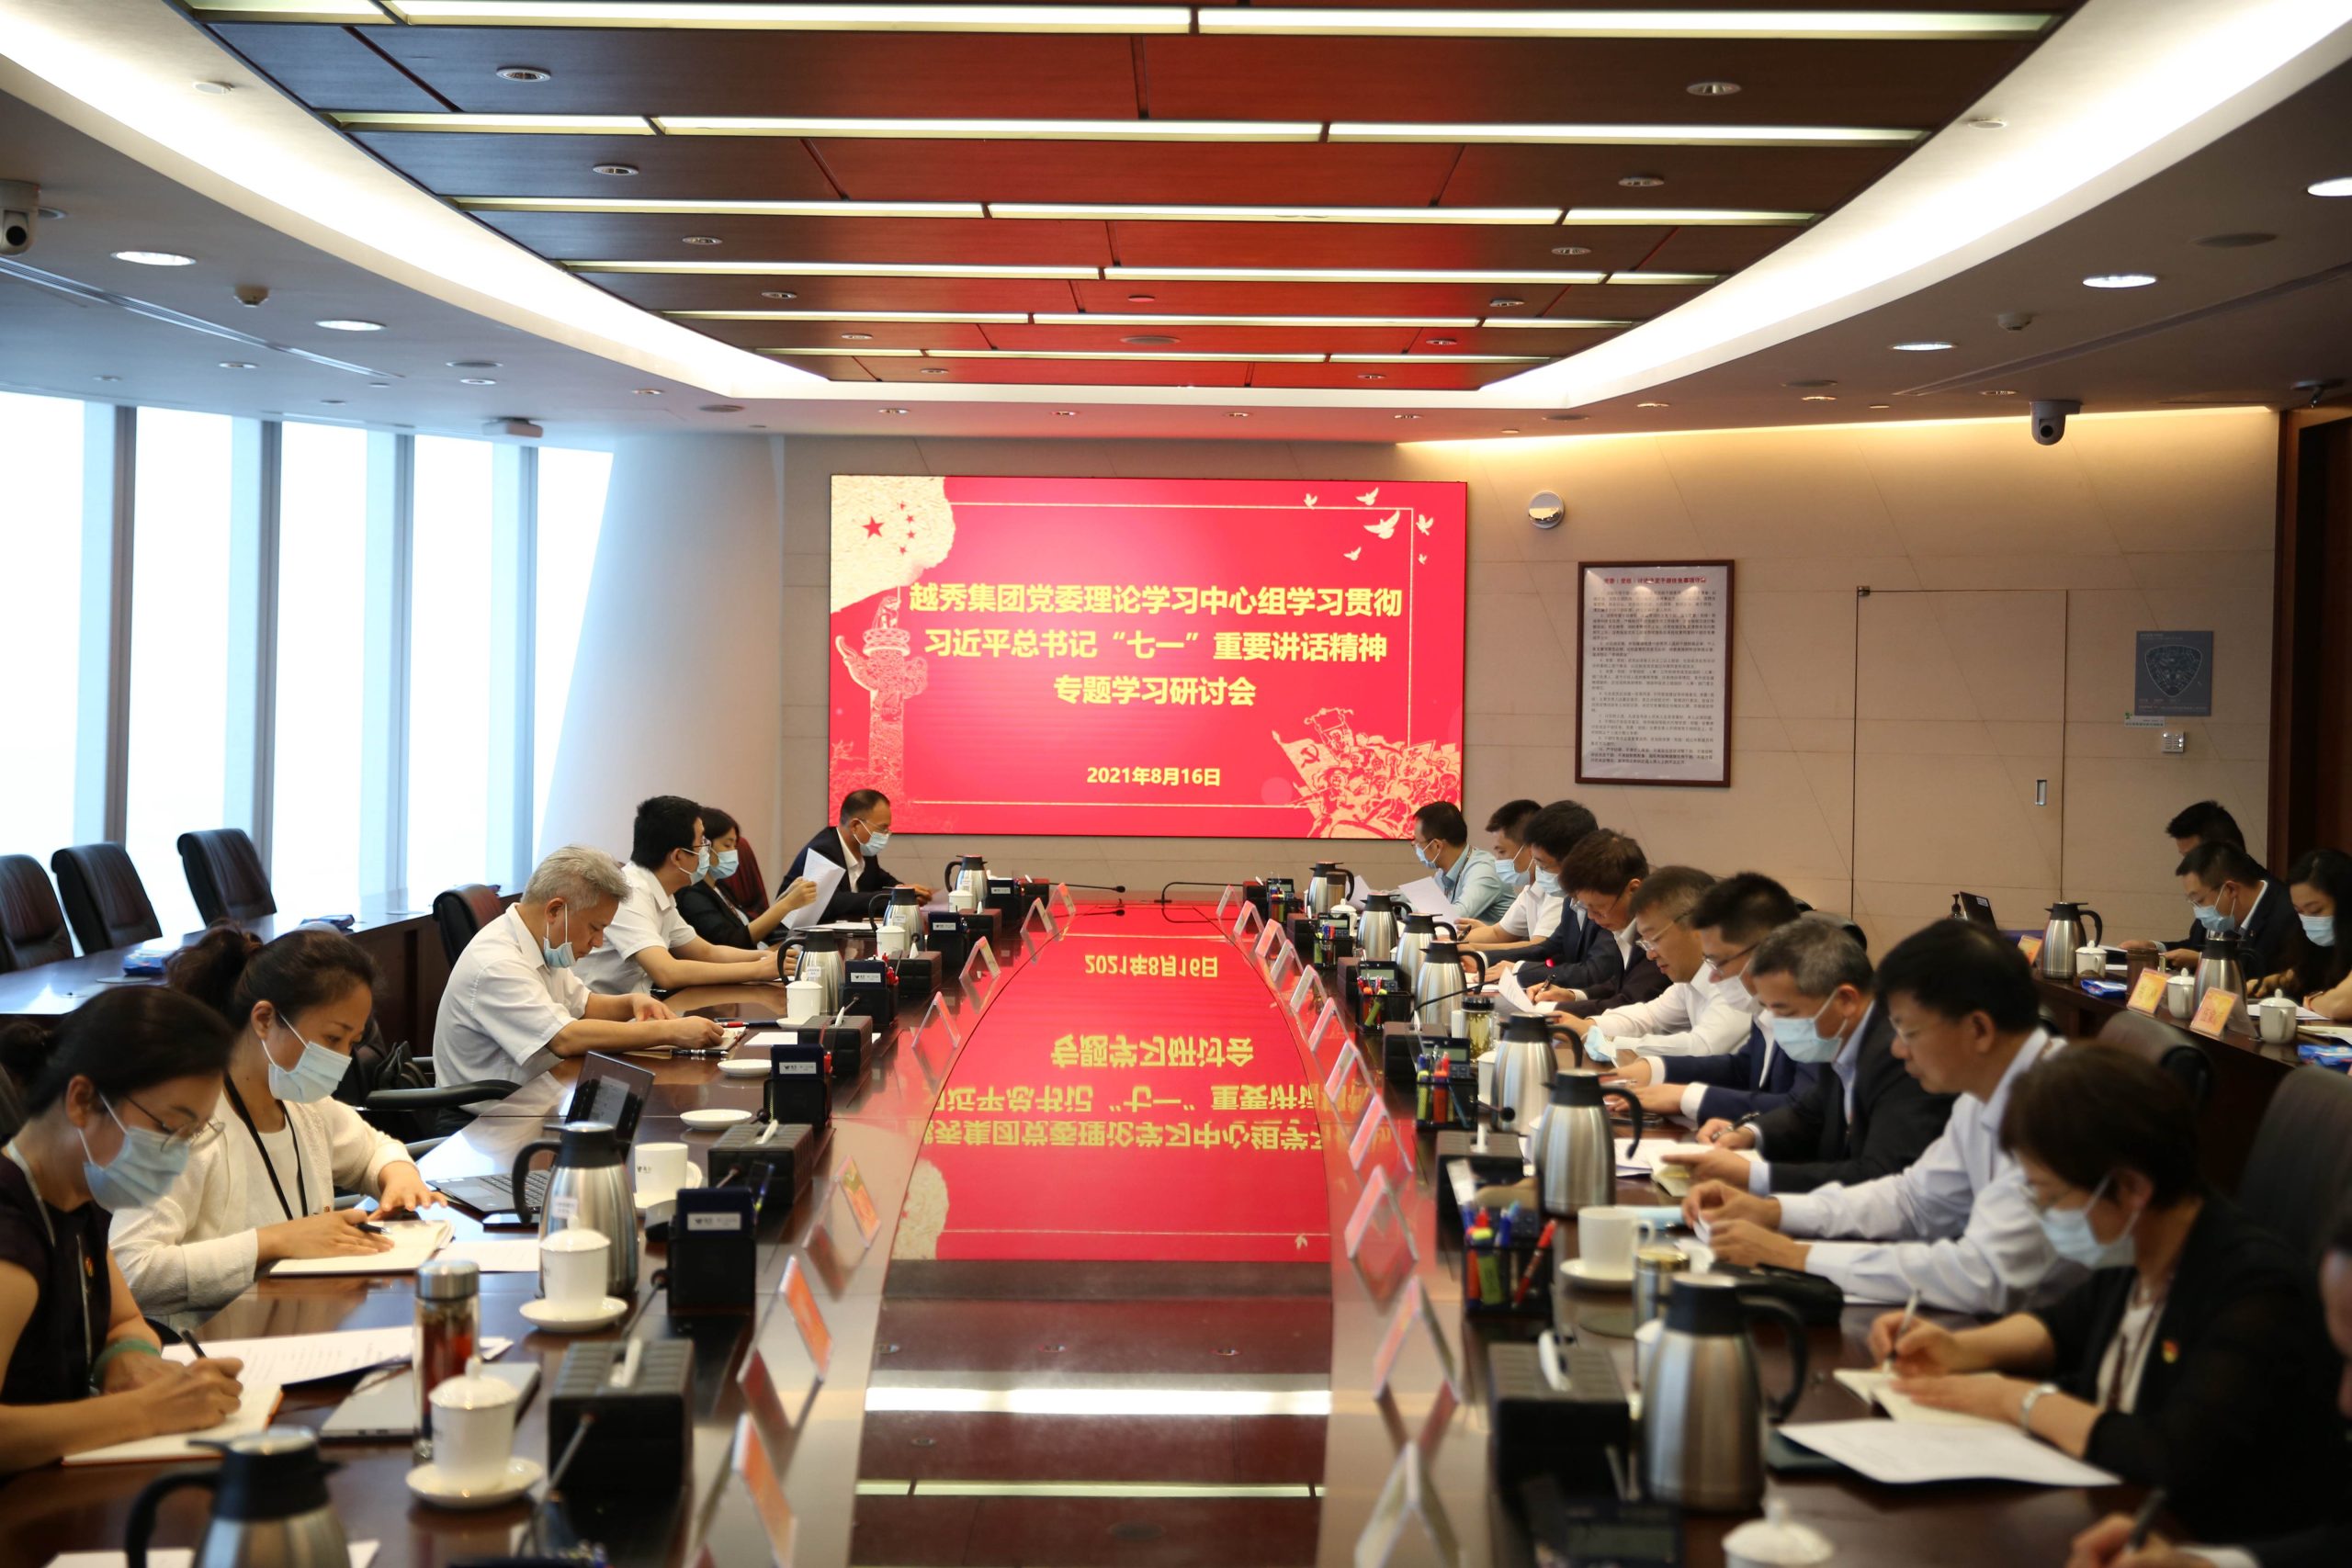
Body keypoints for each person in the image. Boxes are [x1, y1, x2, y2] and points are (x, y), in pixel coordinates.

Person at [1882, 1046, 2339, 1542]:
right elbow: (2060, 1328)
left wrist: (2015, 1400)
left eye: (2050, 1195)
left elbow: (2172, 1453)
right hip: (2111, 1513)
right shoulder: (2136, 1246)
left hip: (2193, 1540)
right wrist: (1958, 1348)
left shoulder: (2256, 1290)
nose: (2042, 1212)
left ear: (2131, 1188)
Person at [1680, 919, 2078, 1314]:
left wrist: (1795, 1255)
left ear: (1978, 1030)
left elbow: (1984, 1276)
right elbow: (1913, 1200)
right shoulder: (1985, 1092)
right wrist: (1774, 1211)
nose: (1899, 1050)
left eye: (1909, 1032)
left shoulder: (2060, 1108)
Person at [112, 928, 435, 1325]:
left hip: (302, 1324)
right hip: (215, 1342)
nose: (343, 1058)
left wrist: (398, 1175)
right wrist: (273, 1242)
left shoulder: (301, 1102)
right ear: (264, 1019)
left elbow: (374, 1149)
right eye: (332, 1038)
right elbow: (130, 1270)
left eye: (352, 1041)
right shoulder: (185, 1125)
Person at [0, 990, 247, 1472]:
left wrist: (128, 1358)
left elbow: (124, 1321)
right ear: (82, 1100)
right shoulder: (11, 1235)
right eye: (170, 1128)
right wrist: (147, 1411)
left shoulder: (74, 1196)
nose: (178, 1154)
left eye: (193, 1135)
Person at [2067, 1203, 2352, 1568]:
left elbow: (2173, 1452)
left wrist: (2021, 1401)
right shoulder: (2125, 1270)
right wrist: (2200, 1566)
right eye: (2344, 1358)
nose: (2345, 1400)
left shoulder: (2255, 1277)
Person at [1661, 919, 1955, 1193]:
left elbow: (1880, 1176)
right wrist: (1749, 1134)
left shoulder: (1900, 1057)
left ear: (1845, 1000)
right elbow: (1808, 1114)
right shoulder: (1840, 1038)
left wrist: (1755, 1175)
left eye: (1785, 1011)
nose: (1775, 1023)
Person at [433, 845, 722, 1119]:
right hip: (487, 1122)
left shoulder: (541, 940)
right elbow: (565, 1038)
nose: (598, 942)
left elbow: (584, 1005)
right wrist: (668, 1032)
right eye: (595, 928)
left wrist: (633, 1002)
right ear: (555, 910)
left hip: (540, 1098)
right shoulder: (497, 963)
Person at [1604, 874, 1808, 1120]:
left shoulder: (1815, 1014)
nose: (1712, 976)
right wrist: (1656, 1068)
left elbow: (1804, 1110)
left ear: (1766, 951)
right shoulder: (1764, 1005)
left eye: (1719, 962)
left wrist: (1687, 1097)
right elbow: (1741, 1068)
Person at [576, 796, 796, 995]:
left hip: (636, 1008)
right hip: (600, 1014)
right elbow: (667, 972)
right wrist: (758, 969)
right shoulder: (630, 894)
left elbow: (706, 952)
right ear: (678, 856)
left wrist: (767, 957)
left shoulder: (661, 893)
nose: (706, 852)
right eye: (702, 844)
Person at [1548, 867, 1755, 1064]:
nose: (1650, 954)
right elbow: (1648, 1017)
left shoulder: (1736, 977)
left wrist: (1605, 1041)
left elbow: (1703, 1048)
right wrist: (1588, 1026)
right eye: (1645, 943)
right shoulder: (1691, 980)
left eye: (1654, 939)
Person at [1550, 831, 1668, 1016]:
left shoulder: (1657, 935)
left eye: (1599, 908)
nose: (1591, 916)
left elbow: (1632, 1002)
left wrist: (1553, 1009)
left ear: (1633, 889)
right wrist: (1573, 996)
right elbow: (1619, 983)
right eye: (1586, 907)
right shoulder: (1624, 926)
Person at [1505, 801, 1619, 993]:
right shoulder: (1570, 899)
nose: (1539, 873)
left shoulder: (1609, 900)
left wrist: (1519, 970)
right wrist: (1483, 958)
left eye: (1543, 866)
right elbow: (1549, 948)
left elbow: (1595, 972)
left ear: (1573, 859)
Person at [2119, 801, 2250, 965]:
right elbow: (2194, 948)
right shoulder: (2210, 890)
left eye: (2191, 856)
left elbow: (2257, 967)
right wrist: (2155, 948)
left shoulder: (2268, 901)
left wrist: (2202, 961)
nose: (2188, 864)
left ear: (2219, 850)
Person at [674, 807, 818, 951]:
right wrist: (787, 904)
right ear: (704, 846)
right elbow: (732, 943)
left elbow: (752, 927)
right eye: (727, 845)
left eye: (734, 846)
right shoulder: (691, 895)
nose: (734, 852)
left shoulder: (720, 886)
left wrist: (786, 898)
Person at [783, 788, 933, 924]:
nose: (886, 834)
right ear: (855, 826)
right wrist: (894, 897)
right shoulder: (823, 850)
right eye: (882, 828)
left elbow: (882, 880)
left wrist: (903, 891)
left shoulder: (864, 850)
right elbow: (832, 902)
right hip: (792, 937)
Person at [2170, 840, 2292, 982]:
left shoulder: (2288, 918)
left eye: (2199, 900)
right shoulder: (2232, 916)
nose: (2197, 910)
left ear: (2230, 889)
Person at [1454, 800, 1558, 954]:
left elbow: (1538, 946)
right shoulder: (1531, 888)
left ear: (1531, 849)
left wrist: (1470, 948)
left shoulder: (1556, 889)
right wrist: (1448, 940)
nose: (1497, 859)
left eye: (1502, 852)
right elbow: (1498, 933)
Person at [2262, 848, 2352, 1018]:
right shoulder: (2319, 946)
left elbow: (2340, 1005)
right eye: (2299, 911)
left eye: (2315, 910)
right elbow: (2305, 971)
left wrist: (2312, 1001)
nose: (2308, 920)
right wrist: (2271, 982)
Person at [1410, 801, 1514, 924]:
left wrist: (1406, 910)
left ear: (1437, 845)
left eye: (1418, 843)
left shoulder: (1484, 869)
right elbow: (1426, 898)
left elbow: (1456, 917)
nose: (1416, 847)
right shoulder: (1445, 871)